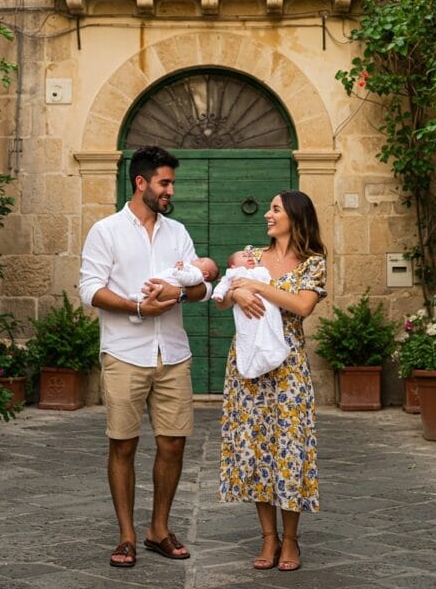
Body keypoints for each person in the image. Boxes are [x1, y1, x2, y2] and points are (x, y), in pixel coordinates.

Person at [78, 145, 212, 568]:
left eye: (171, 182)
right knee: (123, 444)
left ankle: (158, 529)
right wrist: (137, 307)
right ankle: (126, 536)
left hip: (172, 352)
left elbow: (202, 287)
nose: (171, 190)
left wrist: (179, 292)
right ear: (141, 183)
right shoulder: (106, 231)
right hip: (124, 352)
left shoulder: (178, 232)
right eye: (164, 182)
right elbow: (89, 289)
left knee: (172, 443)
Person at [215, 190, 327, 573]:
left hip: (289, 366)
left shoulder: (313, 263)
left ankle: (291, 539)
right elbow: (223, 294)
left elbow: (302, 305)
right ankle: (268, 537)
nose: (267, 214)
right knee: (254, 447)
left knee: (290, 449)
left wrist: (256, 288)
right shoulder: (250, 256)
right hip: (247, 365)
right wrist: (236, 291)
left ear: (295, 216)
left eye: (275, 209)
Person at [212, 249, 289, 378]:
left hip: (267, 308)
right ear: (233, 266)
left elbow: (268, 281)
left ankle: (270, 352)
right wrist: (224, 294)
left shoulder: (260, 269)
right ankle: (251, 362)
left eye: (249, 256)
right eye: (244, 256)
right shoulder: (235, 273)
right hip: (248, 314)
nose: (249, 256)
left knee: (268, 330)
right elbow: (223, 286)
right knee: (250, 333)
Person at [128, 256, 218, 323]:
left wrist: (177, 272)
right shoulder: (192, 268)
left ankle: (140, 307)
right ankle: (140, 299)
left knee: (155, 292)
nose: (197, 259)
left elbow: (188, 279)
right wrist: (179, 267)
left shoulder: (197, 274)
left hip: (171, 283)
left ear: (205, 274)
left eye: (201, 261)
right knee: (152, 288)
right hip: (168, 280)